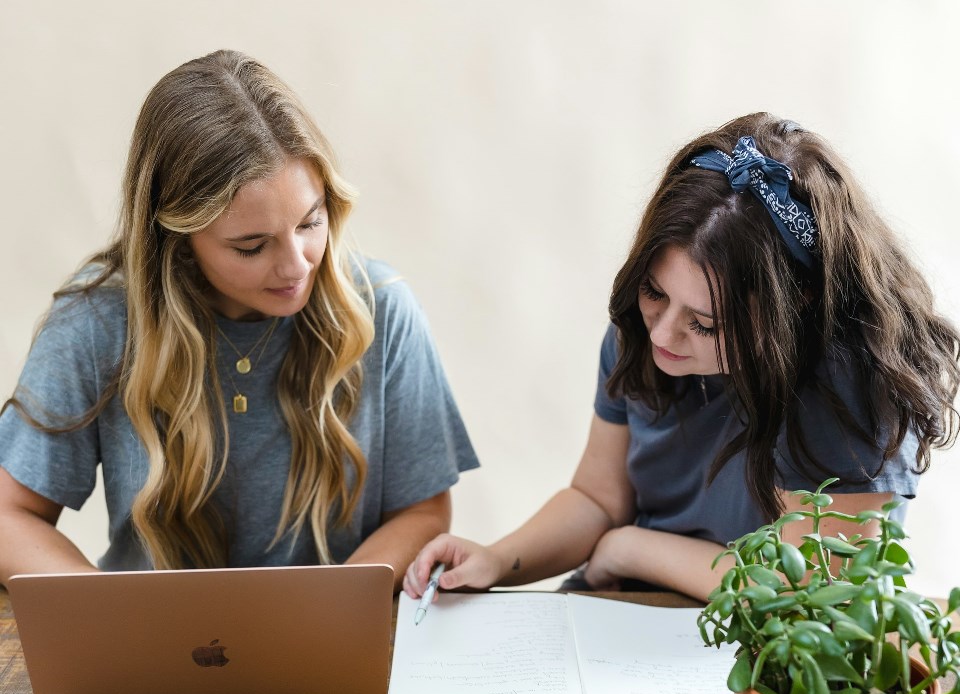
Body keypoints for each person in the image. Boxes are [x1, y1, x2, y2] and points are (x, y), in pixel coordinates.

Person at [404, 112, 960, 603]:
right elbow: (597, 497)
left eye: (705, 323)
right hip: (631, 613)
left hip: (761, 655)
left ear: (795, 306)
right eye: (654, 292)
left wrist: (630, 548)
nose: (664, 334)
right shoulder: (638, 336)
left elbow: (813, 594)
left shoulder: (849, 380)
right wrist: (498, 560)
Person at [0, 50, 478, 587]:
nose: (298, 265)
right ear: (176, 241)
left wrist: (332, 609)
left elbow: (424, 511)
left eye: (310, 222)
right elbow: (9, 517)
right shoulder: (95, 325)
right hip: (153, 657)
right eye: (252, 245)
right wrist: (109, 613)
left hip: (332, 644)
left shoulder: (382, 311)